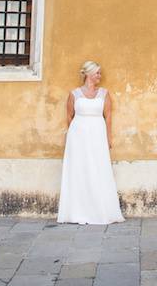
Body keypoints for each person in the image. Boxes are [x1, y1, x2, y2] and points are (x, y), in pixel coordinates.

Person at [57, 61, 124, 224]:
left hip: (97, 134)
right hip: (78, 135)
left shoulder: (104, 94)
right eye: (97, 73)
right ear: (88, 74)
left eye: (100, 73)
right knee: (79, 169)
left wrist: (108, 137)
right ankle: (77, 210)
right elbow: (69, 116)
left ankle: (99, 209)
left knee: (98, 167)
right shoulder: (74, 94)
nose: (100, 76)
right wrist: (72, 136)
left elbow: (108, 117)